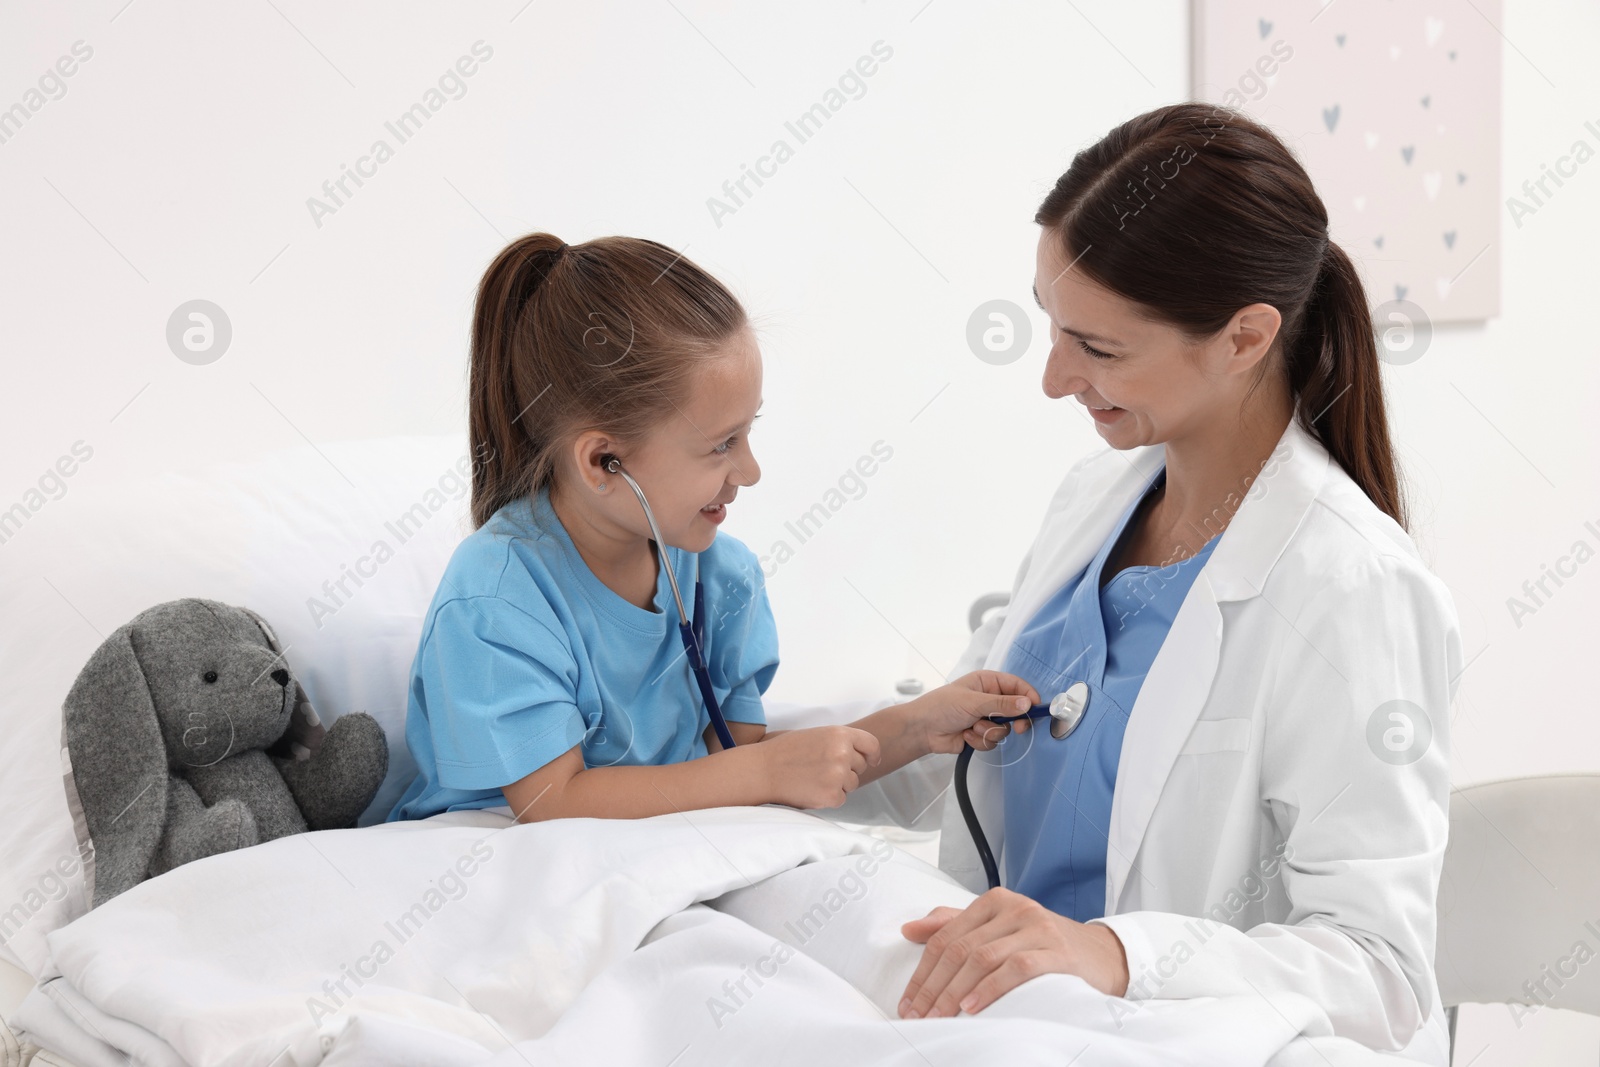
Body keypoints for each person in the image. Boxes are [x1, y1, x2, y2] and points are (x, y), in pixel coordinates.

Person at [830, 102, 1461, 1063]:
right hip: (992, 1025)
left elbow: (1382, 970)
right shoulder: (1096, 498)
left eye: (1100, 348)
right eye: (1053, 326)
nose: (1051, 378)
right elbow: (956, 752)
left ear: (1247, 337)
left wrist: (1116, 953)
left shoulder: (1353, 588)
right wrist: (754, 754)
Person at [386, 233, 1037, 825]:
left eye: (749, 431)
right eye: (722, 444)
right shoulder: (496, 600)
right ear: (601, 462)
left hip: (661, 845)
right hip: (487, 849)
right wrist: (760, 772)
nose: (749, 471)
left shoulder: (722, 580)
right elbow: (553, 801)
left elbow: (736, 765)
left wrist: (920, 724)